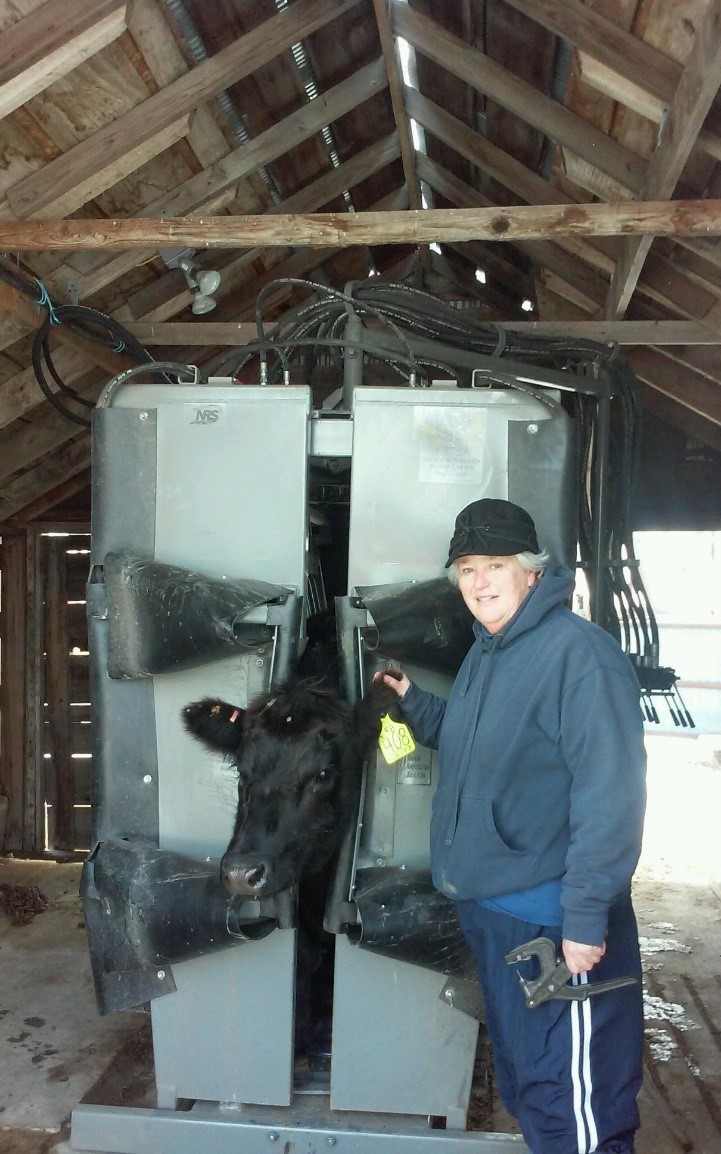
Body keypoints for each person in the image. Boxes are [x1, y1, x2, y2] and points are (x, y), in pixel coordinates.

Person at [375, 498, 646, 1154]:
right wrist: (411, 701)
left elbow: (610, 797)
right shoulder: (487, 652)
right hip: (494, 911)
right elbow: (472, 743)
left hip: (554, 924)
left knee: (575, 1100)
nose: (479, 581)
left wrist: (584, 917)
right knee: (530, 1085)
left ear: (532, 573)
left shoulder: (578, 657)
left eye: (494, 564)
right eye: (466, 568)